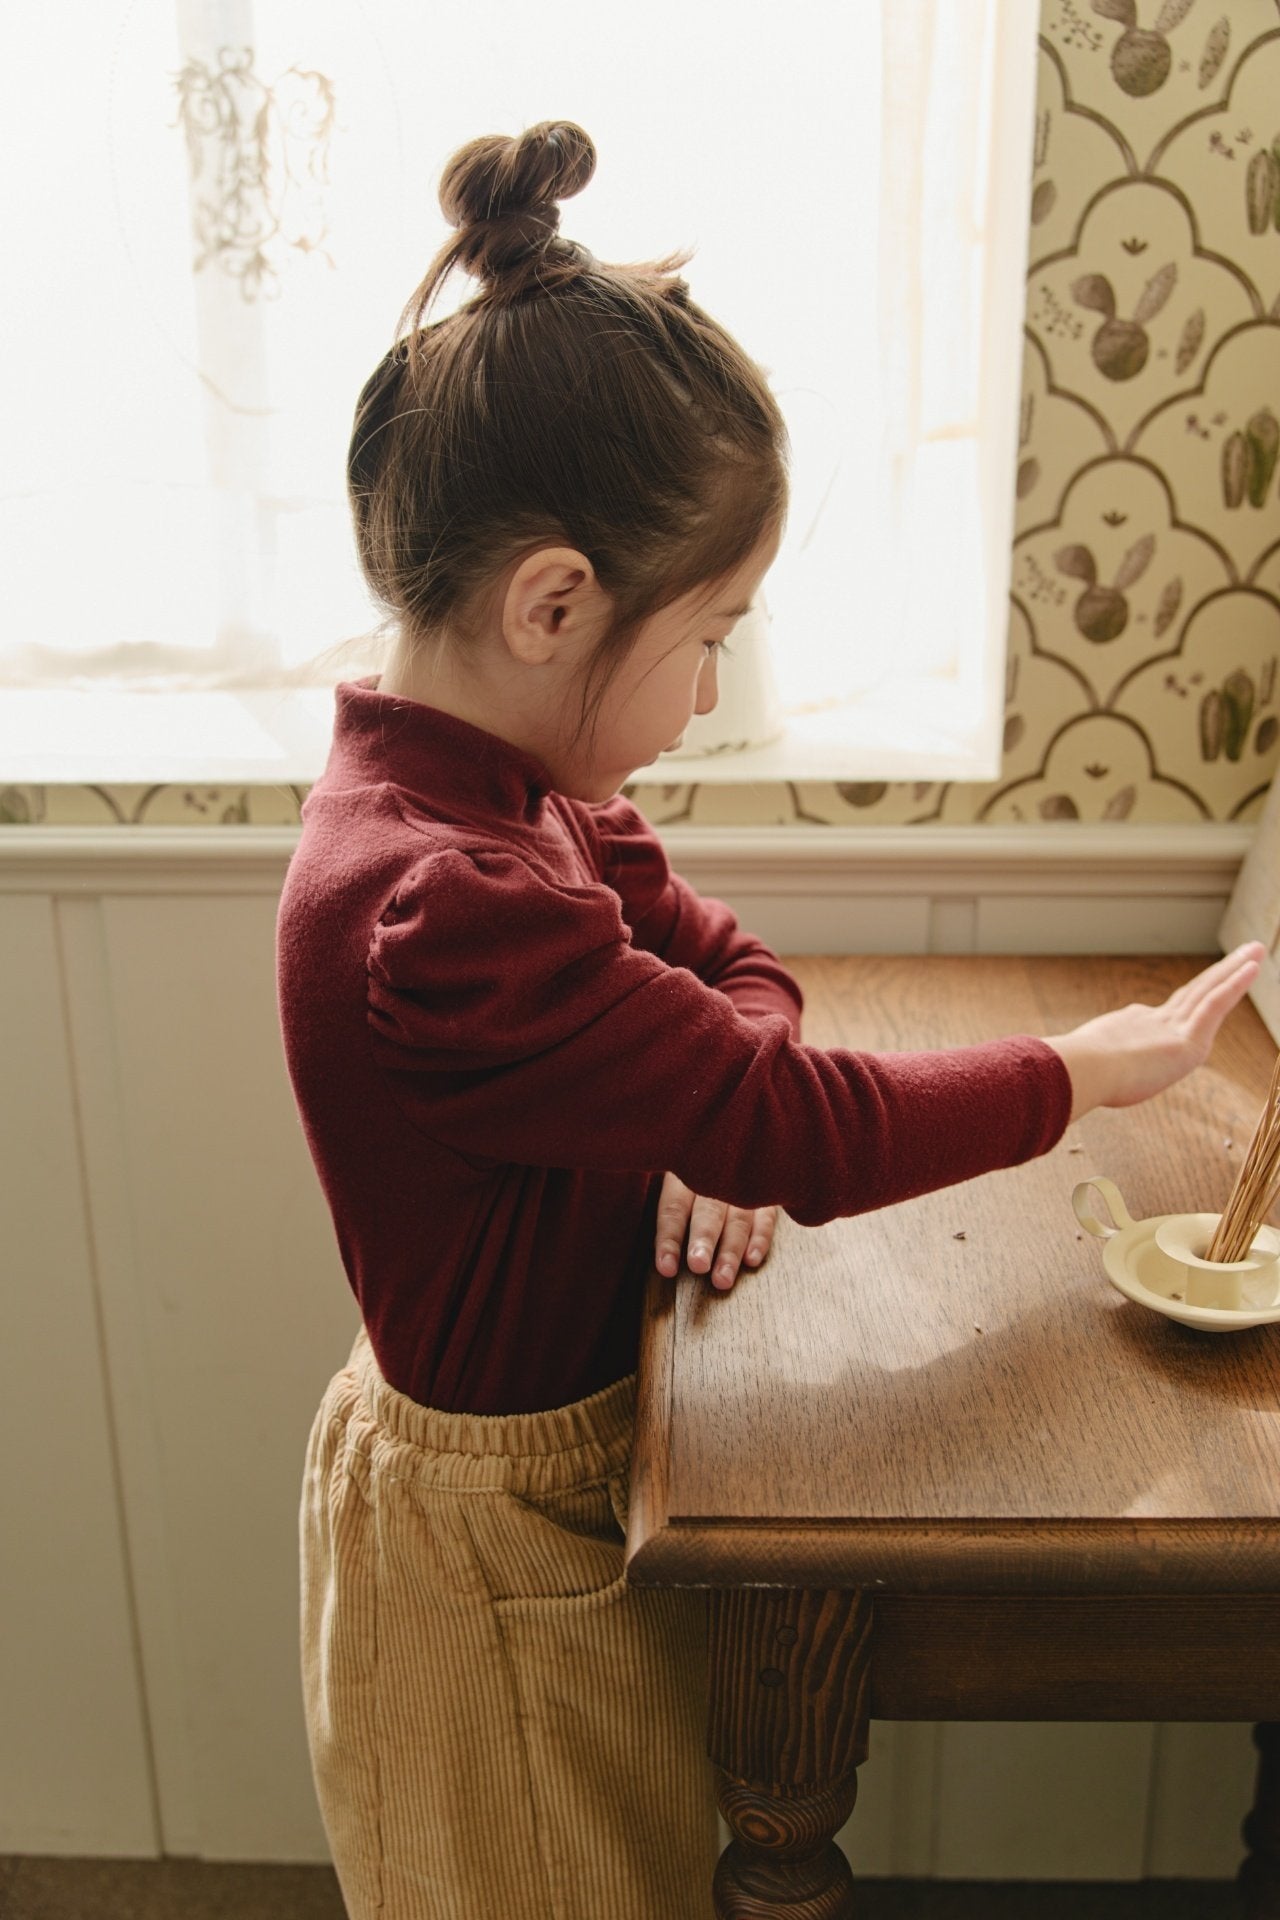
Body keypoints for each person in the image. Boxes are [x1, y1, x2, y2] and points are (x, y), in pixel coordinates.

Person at [274, 119, 1264, 1920]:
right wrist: (1079, 1072)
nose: (715, 687)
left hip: (563, 1460)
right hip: (490, 1539)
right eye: (712, 631)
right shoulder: (451, 904)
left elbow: (734, 979)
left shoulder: (516, 805)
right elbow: (789, 1122)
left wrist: (700, 1112)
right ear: (553, 601)